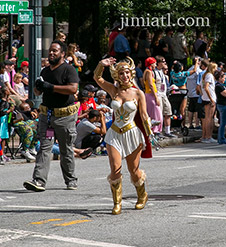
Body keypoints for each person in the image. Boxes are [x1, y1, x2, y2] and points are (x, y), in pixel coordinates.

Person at [93, 56, 152, 215]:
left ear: (131, 73)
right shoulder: (113, 90)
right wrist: (101, 64)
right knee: (115, 169)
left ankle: (142, 195)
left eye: (126, 73)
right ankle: (117, 203)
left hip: (132, 133)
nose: (124, 76)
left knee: (134, 171)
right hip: (114, 134)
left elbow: (144, 115)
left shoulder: (138, 93)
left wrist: (150, 131)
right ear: (117, 75)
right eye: (121, 73)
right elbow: (97, 78)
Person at [23, 40, 80, 192]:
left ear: (62, 54)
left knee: (66, 149)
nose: (51, 53)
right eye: (50, 51)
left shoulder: (69, 70)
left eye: (55, 51)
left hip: (64, 116)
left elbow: (73, 88)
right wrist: (38, 88)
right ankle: (39, 181)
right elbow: (37, 92)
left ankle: (71, 180)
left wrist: (52, 87)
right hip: (47, 115)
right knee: (44, 148)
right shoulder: (45, 71)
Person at [154, 56, 176, 138]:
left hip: (164, 94)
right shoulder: (154, 72)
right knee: (159, 114)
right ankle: (158, 131)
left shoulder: (162, 72)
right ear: (159, 63)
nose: (164, 63)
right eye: (163, 61)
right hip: (158, 94)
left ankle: (167, 131)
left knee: (168, 112)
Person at [143, 57, 163, 138]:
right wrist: (156, 97)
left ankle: (155, 130)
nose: (155, 64)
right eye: (154, 63)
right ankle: (155, 130)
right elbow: (150, 84)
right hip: (151, 95)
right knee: (157, 114)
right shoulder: (148, 72)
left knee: (154, 113)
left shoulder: (148, 71)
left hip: (149, 94)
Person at [200, 62, 218, 143]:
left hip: (205, 98)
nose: (216, 70)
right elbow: (206, 87)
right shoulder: (209, 75)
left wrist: (202, 94)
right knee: (209, 119)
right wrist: (211, 99)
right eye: (215, 68)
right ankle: (208, 136)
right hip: (210, 98)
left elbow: (200, 87)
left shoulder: (204, 75)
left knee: (207, 118)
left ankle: (206, 136)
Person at [214, 70, 226, 144]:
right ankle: (221, 139)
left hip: (222, 105)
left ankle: (221, 138)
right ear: (220, 78)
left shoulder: (221, 86)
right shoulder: (219, 86)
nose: (224, 79)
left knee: (223, 123)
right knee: (222, 123)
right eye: (223, 78)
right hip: (223, 105)